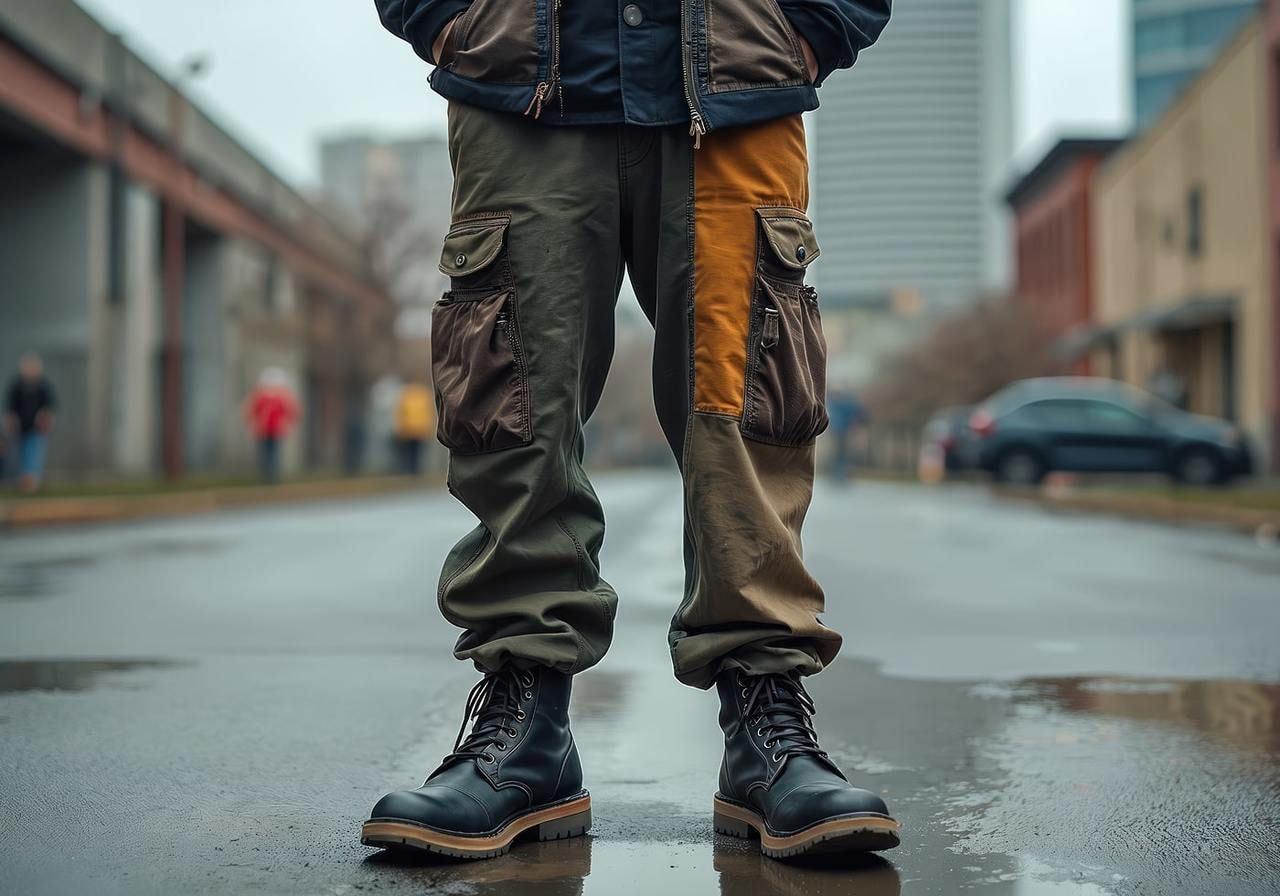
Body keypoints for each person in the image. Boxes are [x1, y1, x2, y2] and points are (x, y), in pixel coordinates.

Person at [364, 0, 897, 863]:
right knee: (512, 403)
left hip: (736, 78)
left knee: (747, 404)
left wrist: (814, 25)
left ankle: (767, 723)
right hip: (523, 78)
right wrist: (453, 19)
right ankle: (525, 727)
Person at [5, 353, 56, 493]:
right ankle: (24, 479)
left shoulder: (43, 386)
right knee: (20, 453)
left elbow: (49, 407)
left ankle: (31, 479)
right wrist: (11, 421)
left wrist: (46, 420)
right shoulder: (17, 386)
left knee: (34, 452)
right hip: (21, 427)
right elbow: (10, 408)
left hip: (36, 428)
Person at [244, 368, 297, 483]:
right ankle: (266, 475)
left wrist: (288, 425)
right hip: (263, 429)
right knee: (266, 453)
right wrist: (253, 424)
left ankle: (272, 476)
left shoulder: (281, 397)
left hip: (276, 430)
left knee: (273, 453)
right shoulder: (261, 396)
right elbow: (251, 411)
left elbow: (291, 412)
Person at [394, 381, 435, 475]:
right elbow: (428, 412)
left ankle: (410, 471)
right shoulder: (422, 394)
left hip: (409, 429)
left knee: (410, 452)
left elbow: (400, 412)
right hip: (418, 429)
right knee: (415, 453)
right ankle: (414, 471)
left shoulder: (406, 394)